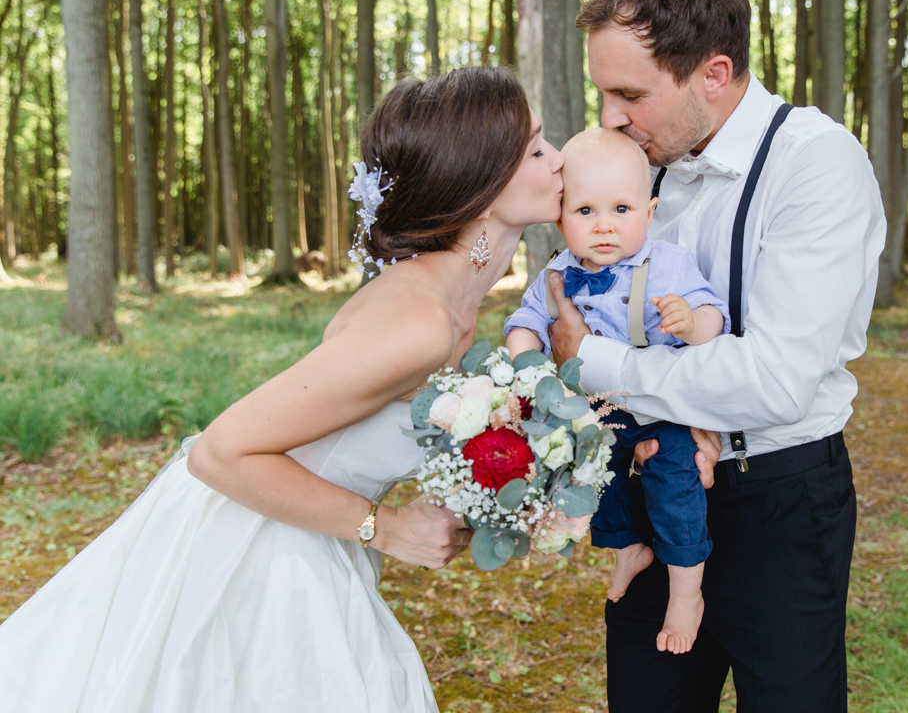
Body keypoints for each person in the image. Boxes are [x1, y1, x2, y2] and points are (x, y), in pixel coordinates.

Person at [0, 66, 565, 713]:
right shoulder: (421, 322)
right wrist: (387, 527)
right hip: (255, 547)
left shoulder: (450, 303)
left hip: (302, 531)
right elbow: (217, 452)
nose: (558, 161)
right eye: (537, 149)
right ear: (483, 183)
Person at [545, 0, 887, 713]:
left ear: (714, 73)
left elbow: (773, 379)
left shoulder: (816, 164)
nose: (609, 118)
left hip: (779, 504)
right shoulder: (639, 166)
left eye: (629, 93)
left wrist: (593, 361)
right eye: (604, 92)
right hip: (651, 482)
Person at [504, 127, 730, 655]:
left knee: (676, 492)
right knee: (589, 483)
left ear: (650, 213)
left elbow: (715, 318)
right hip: (599, 414)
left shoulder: (667, 264)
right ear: (561, 217)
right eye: (585, 212)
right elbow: (526, 322)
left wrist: (689, 321)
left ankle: (685, 592)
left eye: (622, 210)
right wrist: (523, 359)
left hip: (663, 409)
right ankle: (627, 548)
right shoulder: (557, 274)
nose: (604, 225)